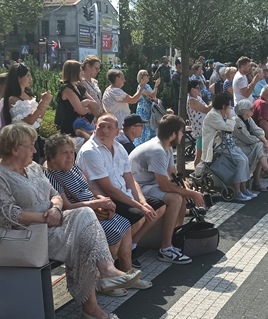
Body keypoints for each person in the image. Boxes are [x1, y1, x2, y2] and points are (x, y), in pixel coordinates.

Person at [0, 123, 141, 319]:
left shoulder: (33, 167)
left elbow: (54, 194)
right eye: (30, 146)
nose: (34, 151)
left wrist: (56, 209)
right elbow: (6, 214)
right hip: (26, 236)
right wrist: (45, 217)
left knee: (84, 216)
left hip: (51, 225)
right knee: (82, 239)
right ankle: (93, 303)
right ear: (14, 149)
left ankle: (106, 271)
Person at [44, 134, 150, 291]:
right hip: (79, 218)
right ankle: (105, 280)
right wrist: (97, 203)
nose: (70, 157)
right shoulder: (50, 176)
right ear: (52, 157)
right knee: (113, 231)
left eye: (72, 152)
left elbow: (90, 187)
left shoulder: (73, 167)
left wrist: (103, 200)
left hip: (95, 209)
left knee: (125, 223)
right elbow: (66, 207)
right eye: (64, 153)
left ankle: (127, 272)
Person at [78, 114, 167, 250]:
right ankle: (121, 253)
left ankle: (132, 245)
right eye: (101, 126)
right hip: (106, 199)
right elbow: (109, 190)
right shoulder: (90, 151)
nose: (105, 130)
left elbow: (130, 180)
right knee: (139, 216)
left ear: (117, 131)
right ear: (95, 127)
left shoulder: (119, 148)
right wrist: (140, 206)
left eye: (109, 127)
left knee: (159, 207)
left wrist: (142, 202)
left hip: (124, 194)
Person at [129, 115, 204, 263]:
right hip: (137, 187)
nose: (182, 136)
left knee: (181, 191)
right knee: (175, 198)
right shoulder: (157, 151)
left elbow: (173, 175)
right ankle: (165, 248)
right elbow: (164, 185)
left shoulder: (165, 147)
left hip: (148, 184)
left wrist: (185, 187)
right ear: (174, 134)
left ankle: (177, 235)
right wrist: (191, 193)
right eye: (181, 132)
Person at [201, 93, 254, 201]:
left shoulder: (220, 113)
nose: (231, 107)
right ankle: (238, 191)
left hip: (225, 143)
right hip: (216, 145)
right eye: (229, 105)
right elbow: (230, 127)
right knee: (240, 161)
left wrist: (229, 123)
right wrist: (229, 115)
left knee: (244, 158)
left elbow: (231, 127)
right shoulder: (213, 115)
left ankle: (244, 189)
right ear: (224, 106)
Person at [233, 99, 268, 192]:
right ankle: (264, 171)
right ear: (245, 111)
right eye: (251, 109)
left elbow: (258, 130)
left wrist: (265, 141)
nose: (253, 110)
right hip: (239, 147)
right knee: (260, 148)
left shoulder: (248, 119)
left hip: (249, 145)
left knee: (261, 147)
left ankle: (265, 170)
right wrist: (263, 141)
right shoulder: (236, 121)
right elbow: (246, 138)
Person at [2, 63, 53, 132]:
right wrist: (42, 102)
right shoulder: (13, 99)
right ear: (18, 78)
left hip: (33, 134)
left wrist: (46, 102)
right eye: (28, 76)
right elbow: (30, 121)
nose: (30, 79)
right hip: (22, 135)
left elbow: (38, 118)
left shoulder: (28, 95)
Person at [57, 60, 100, 139]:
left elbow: (97, 106)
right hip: (71, 129)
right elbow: (81, 111)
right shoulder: (67, 89)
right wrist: (90, 108)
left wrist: (87, 102)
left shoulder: (80, 88)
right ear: (74, 72)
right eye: (80, 71)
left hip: (84, 126)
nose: (83, 73)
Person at [186, 80, 210, 168]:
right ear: (192, 89)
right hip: (200, 130)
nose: (199, 89)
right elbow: (206, 109)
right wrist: (215, 102)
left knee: (203, 153)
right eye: (197, 88)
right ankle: (197, 172)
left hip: (205, 128)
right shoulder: (192, 101)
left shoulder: (198, 98)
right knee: (199, 154)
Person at [135, 69, 161, 146]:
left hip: (150, 110)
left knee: (151, 127)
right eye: (147, 75)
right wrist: (156, 85)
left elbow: (153, 96)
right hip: (143, 110)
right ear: (142, 77)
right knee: (145, 128)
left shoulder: (147, 86)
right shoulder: (141, 86)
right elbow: (152, 95)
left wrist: (153, 93)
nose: (148, 76)